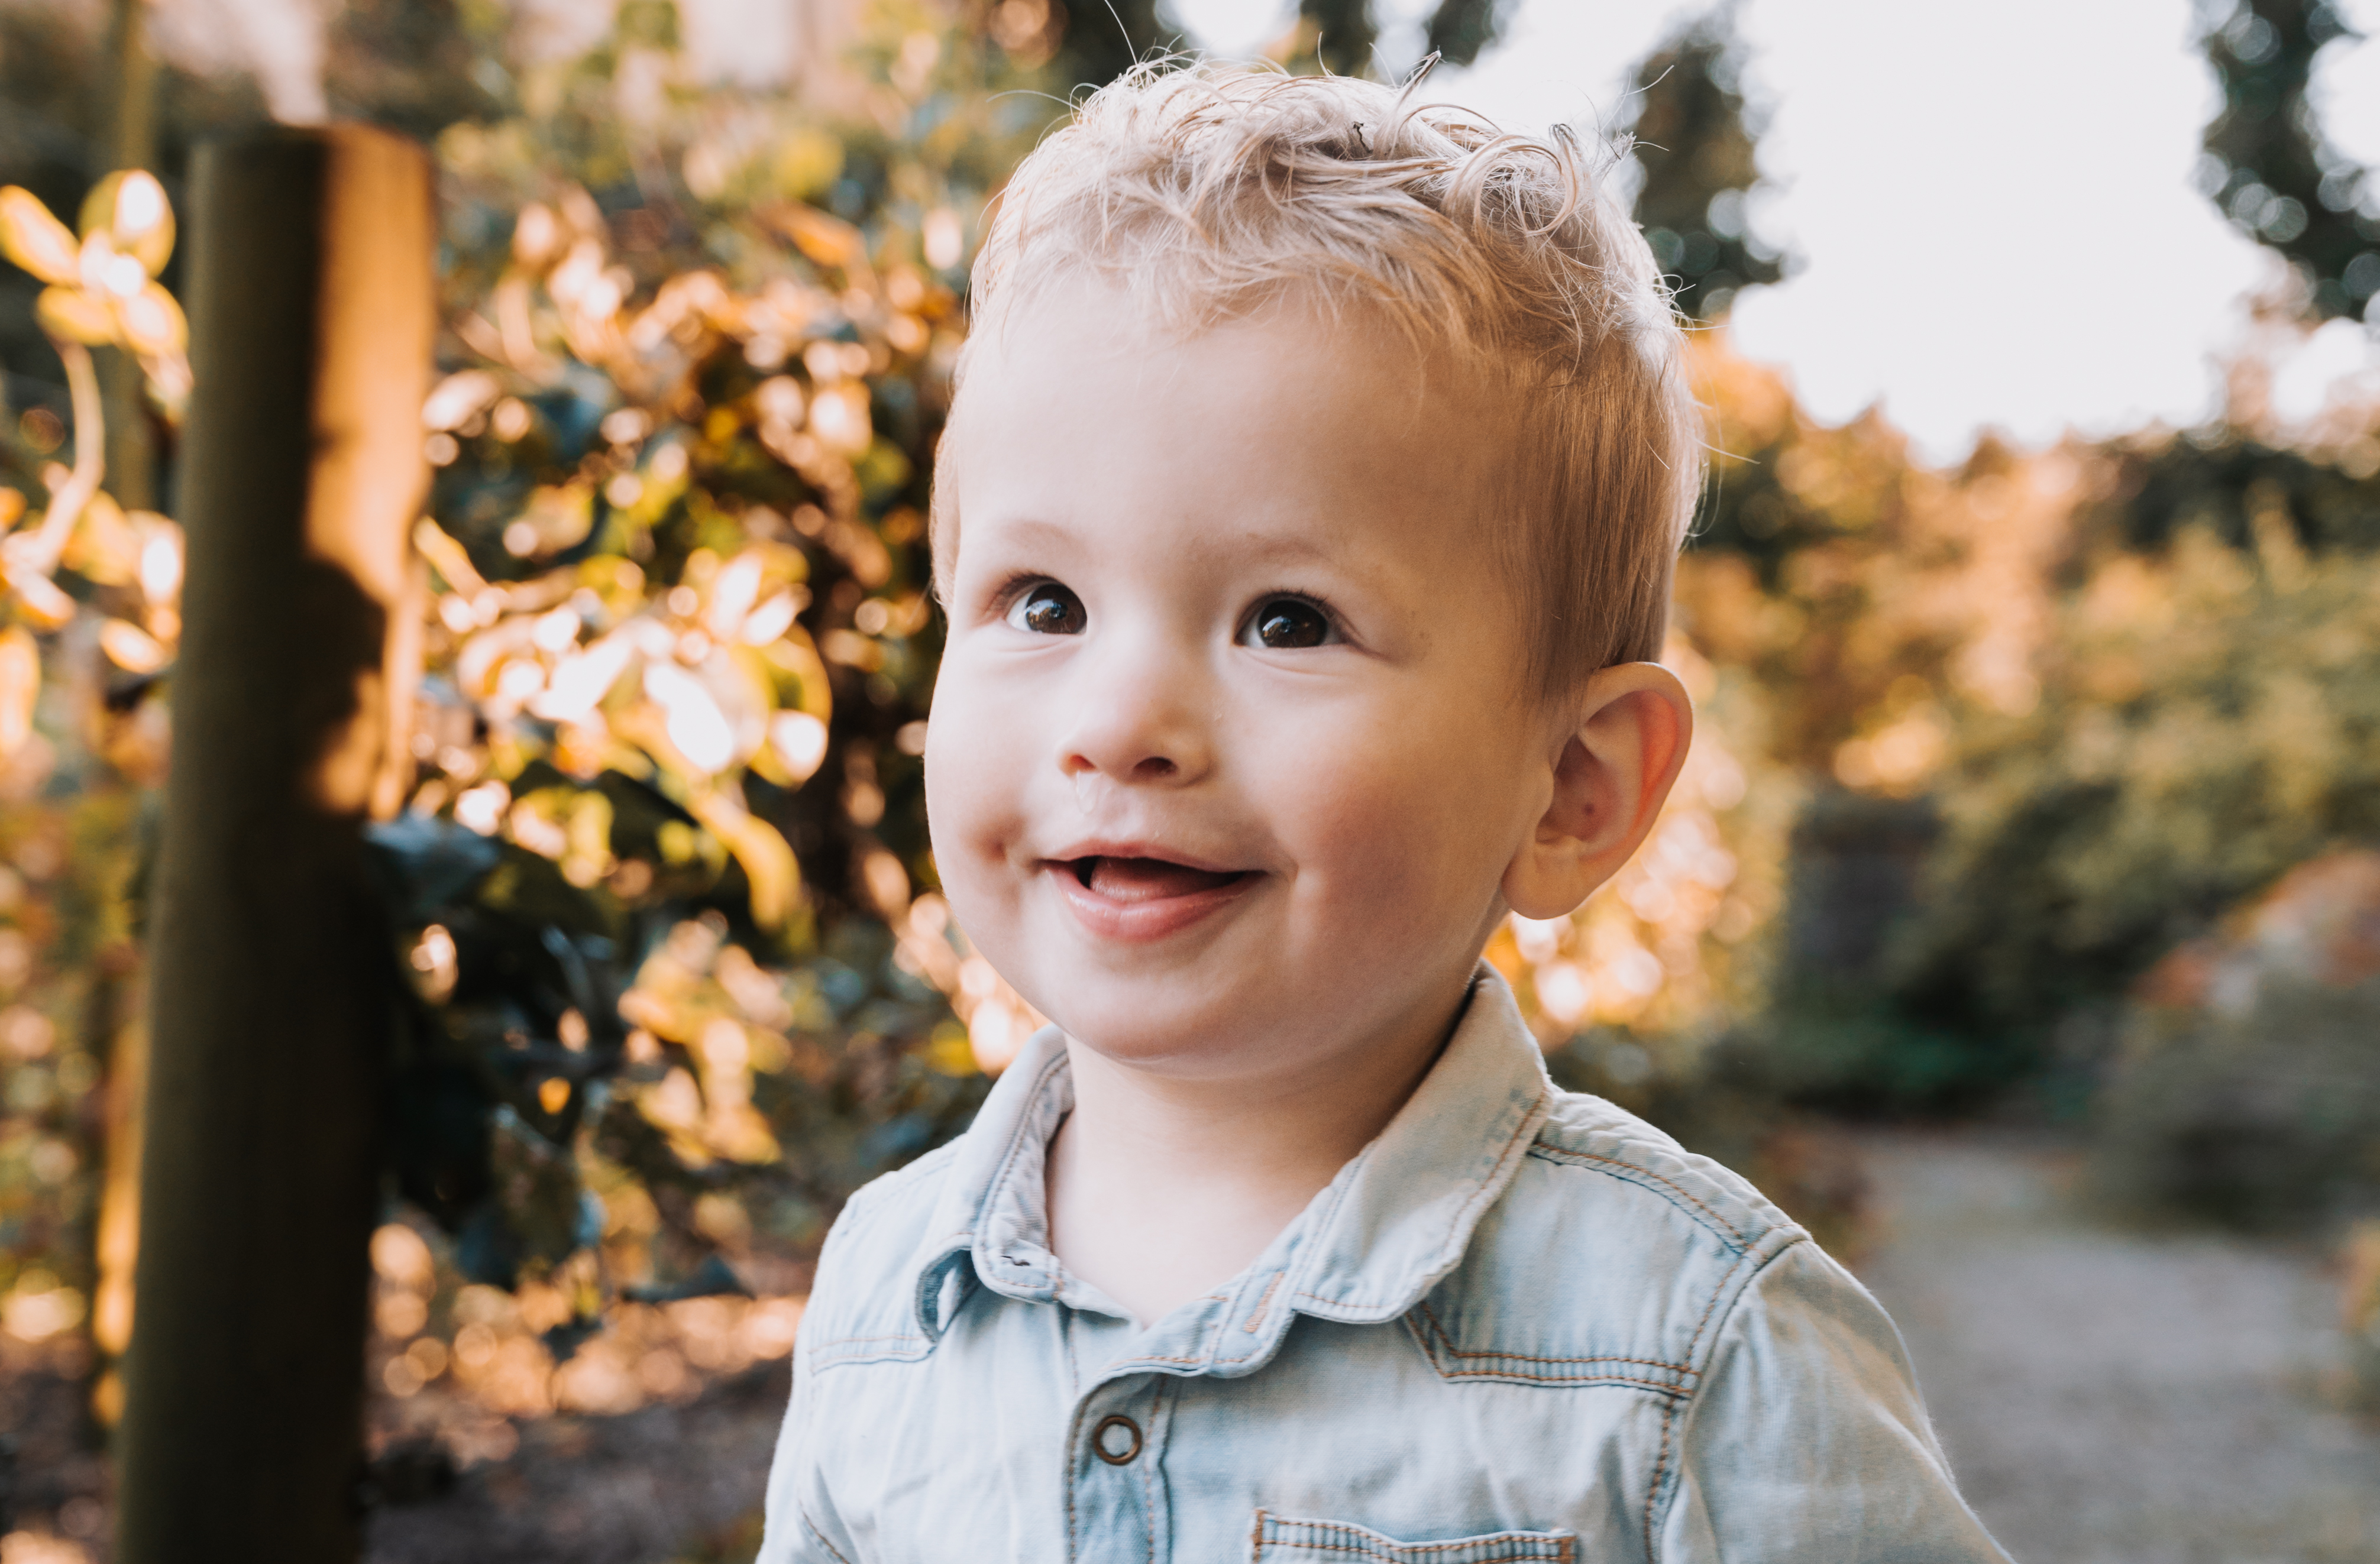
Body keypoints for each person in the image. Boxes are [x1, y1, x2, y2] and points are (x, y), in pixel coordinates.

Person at [761, 61, 2009, 1564]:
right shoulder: (882, 1299)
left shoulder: (1698, 1357)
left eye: (1287, 622)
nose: (1117, 724)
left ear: (1573, 789)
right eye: (1043, 601)